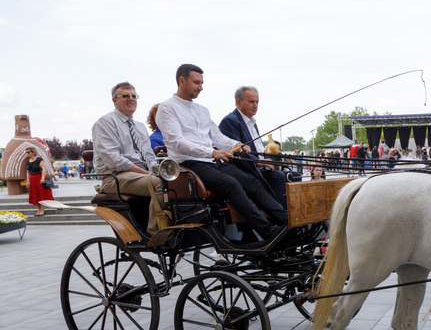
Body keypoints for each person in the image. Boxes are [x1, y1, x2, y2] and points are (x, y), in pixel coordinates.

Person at [156, 64, 286, 243]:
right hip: (189, 164)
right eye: (196, 82)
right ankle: (269, 232)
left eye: (201, 83)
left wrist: (237, 144)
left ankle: (286, 222)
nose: (200, 87)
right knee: (231, 185)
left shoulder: (202, 110)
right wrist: (212, 152)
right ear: (182, 81)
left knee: (252, 181)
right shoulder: (167, 108)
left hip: (211, 162)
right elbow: (177, 143)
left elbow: (216, 136)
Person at [92, 82, 166, 234]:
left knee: (178, 180)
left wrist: (157, 170)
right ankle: (155, 232)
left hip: (141, 175)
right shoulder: (105, 123)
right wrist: (148, 174)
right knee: (159, 183)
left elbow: (149, 156)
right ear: (114, 100)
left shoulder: (140, 126)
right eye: (125, 96)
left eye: (134, 96)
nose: (131, 99)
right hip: (115, 177)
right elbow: (114, 159)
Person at [218, 86, 300, 208]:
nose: (255, 105)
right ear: (238, 101)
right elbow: (236, 153)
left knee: (295, 175)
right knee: (278, 176)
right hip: (245, 171)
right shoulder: (230, 121)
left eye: (257, 102)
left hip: (259, 168)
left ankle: (296, 211)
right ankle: (281, 214)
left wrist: (272, 160)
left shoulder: (252, 123)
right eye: (251, 101)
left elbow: (259, 151)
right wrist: (258, 162)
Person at [24, 147, 53, 216]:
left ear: (33, 152)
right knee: (35, 194)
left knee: (41, 194)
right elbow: (28, 172)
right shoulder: (27, 162)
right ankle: (38, 210)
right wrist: (28, 181)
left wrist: (42, 178)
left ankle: (42, 210)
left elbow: (44, 169)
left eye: (28, 152)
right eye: (26, 152)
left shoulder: (39, 160)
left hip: (39, 178)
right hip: (32, 180)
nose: (27, 153)